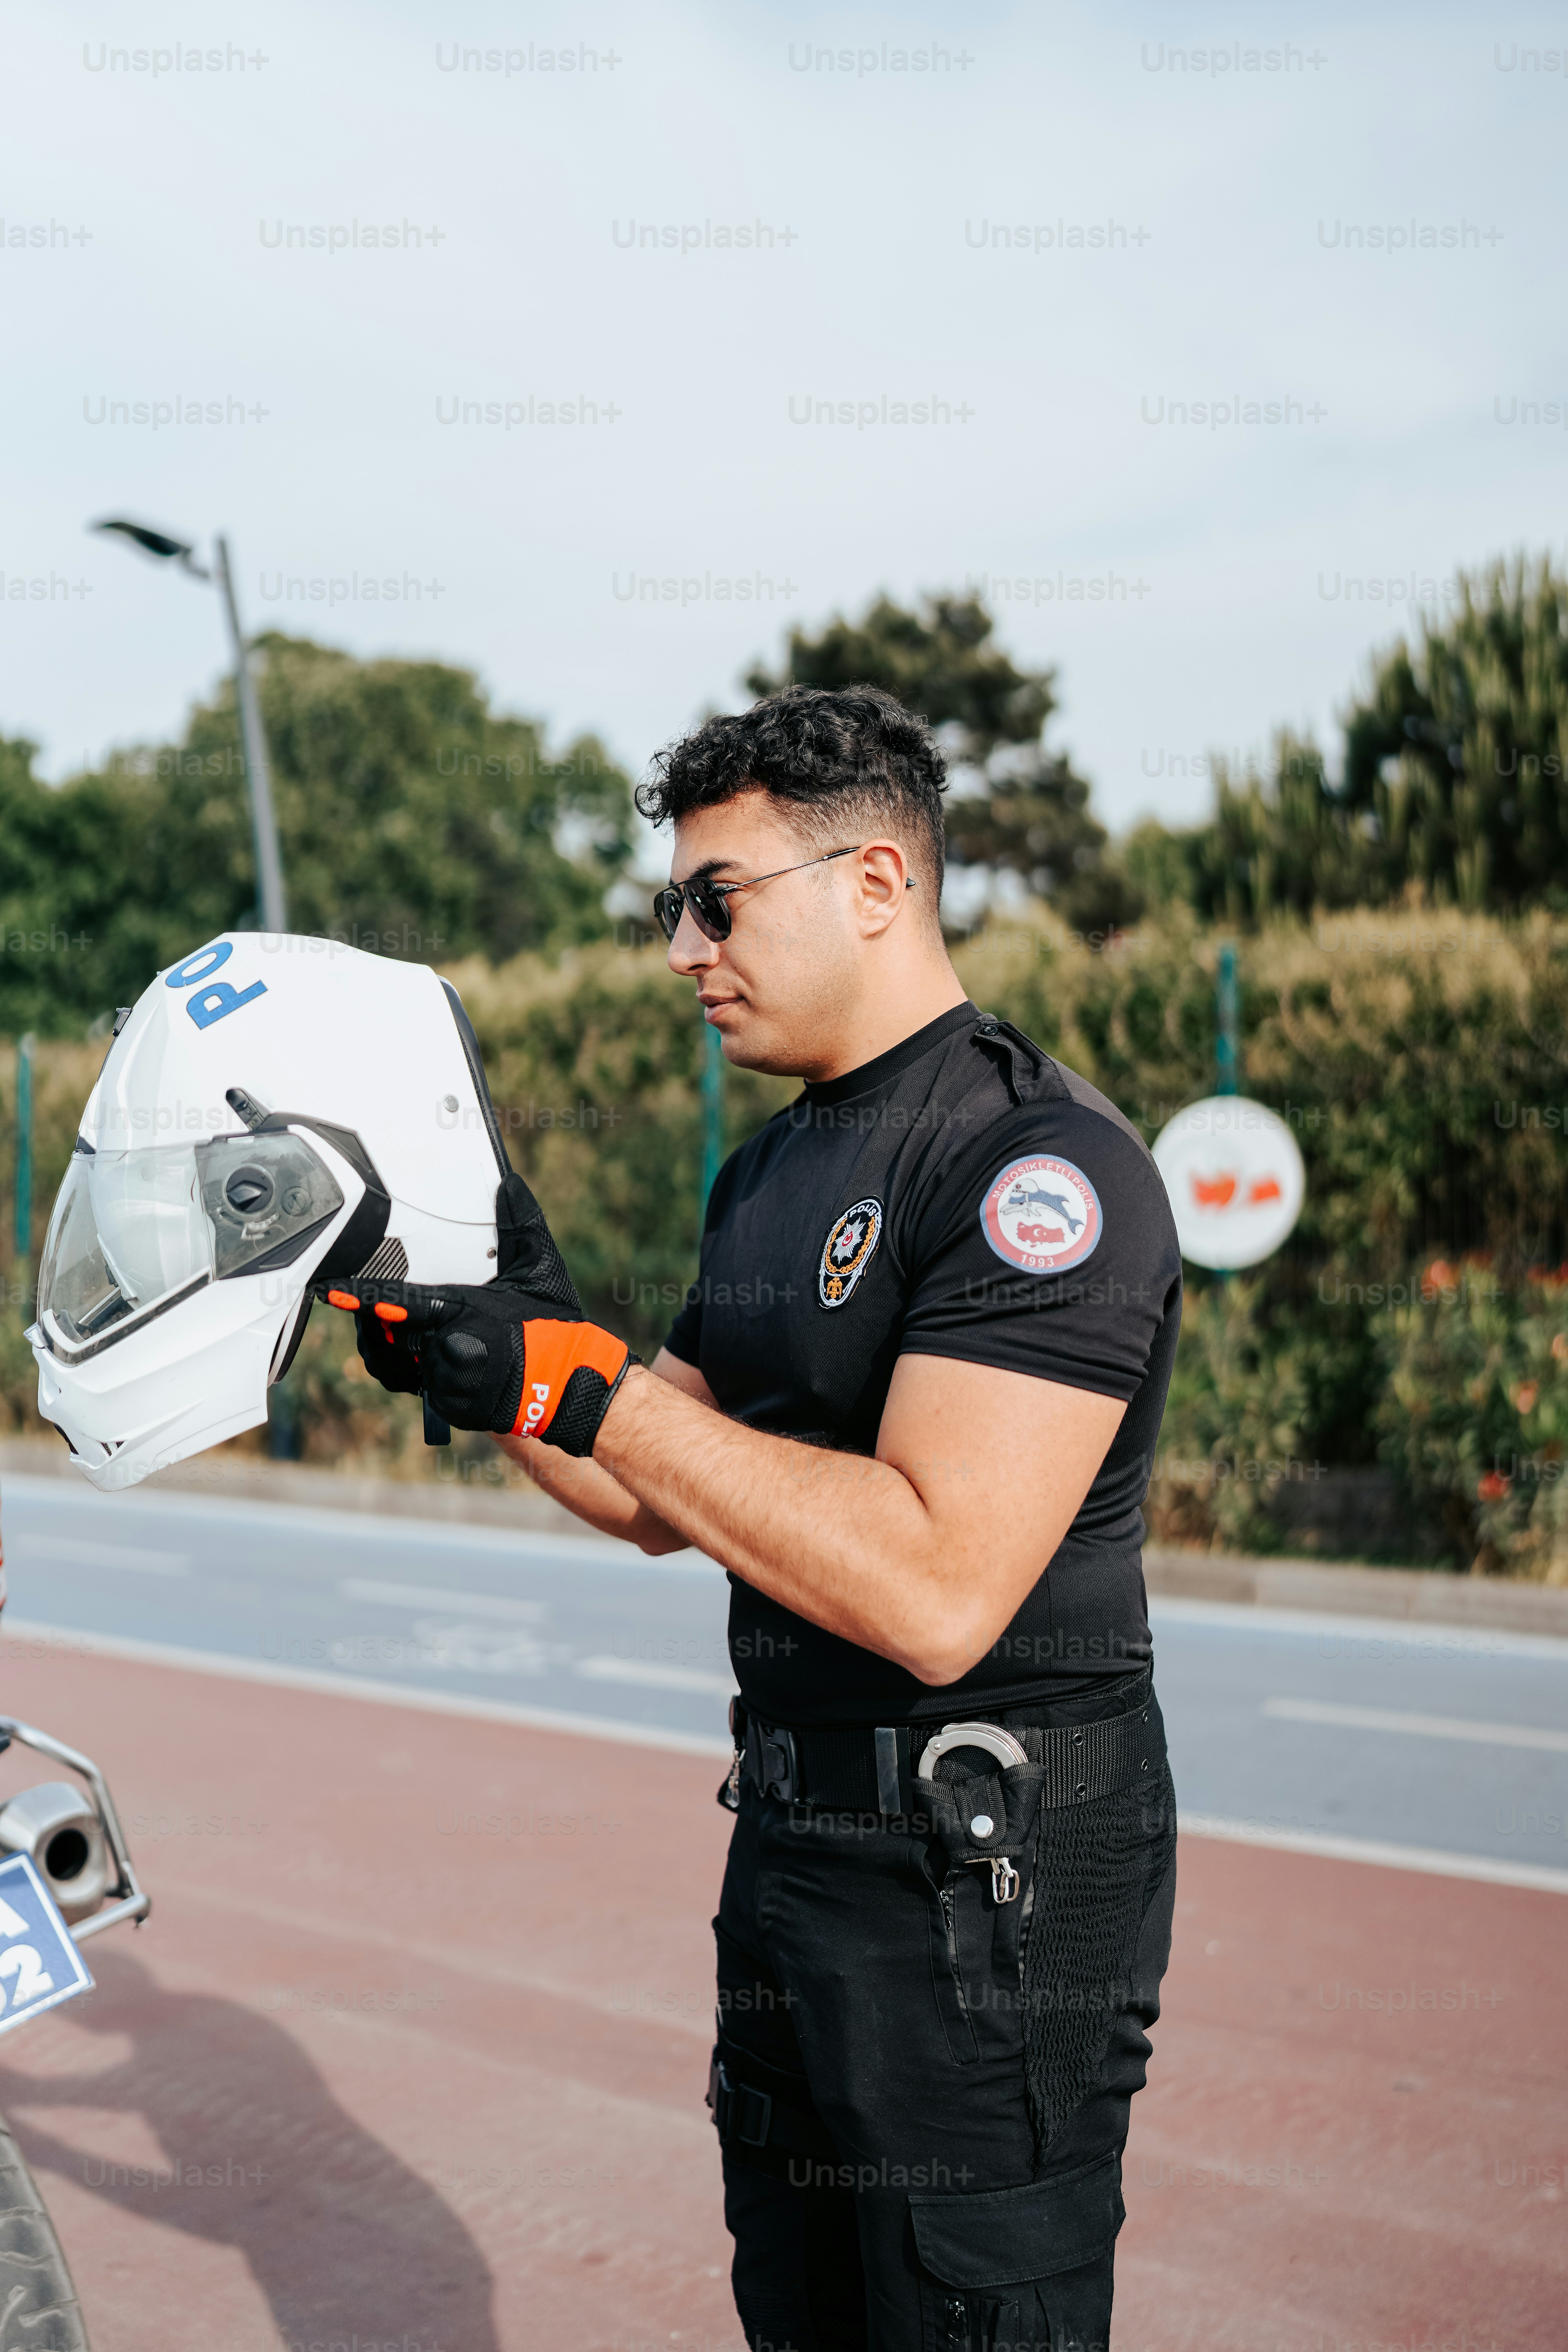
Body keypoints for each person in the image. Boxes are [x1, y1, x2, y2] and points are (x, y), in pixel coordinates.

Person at [334, 683, 1182, 2352]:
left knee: (965, 2319)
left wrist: (587, 1387)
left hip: (980, 1886)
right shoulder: (775, 1171)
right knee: (799, 2316)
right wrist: (472, 1340)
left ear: (874, 885)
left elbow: (941, 1587)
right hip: (794, 1856)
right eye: (674, 905)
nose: (679, 948)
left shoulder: (1034, 1161)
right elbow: (661, 1493)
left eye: (714, 899)